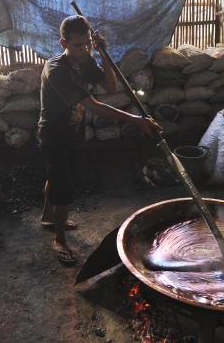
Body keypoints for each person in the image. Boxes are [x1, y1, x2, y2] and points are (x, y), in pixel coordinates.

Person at [38, 15, 162, 264]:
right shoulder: (57, 69)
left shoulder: (86, 61)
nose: (83, 50)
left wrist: (102, 53)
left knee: (58, 176)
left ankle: (48, 218)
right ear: (63, 44)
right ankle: (60, 240)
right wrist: (139, 120)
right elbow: (94, 106)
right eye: (76, 45)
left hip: (73, 133)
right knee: (64, 186)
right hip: (53, 136)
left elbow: (111, 86)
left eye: (86, 44)